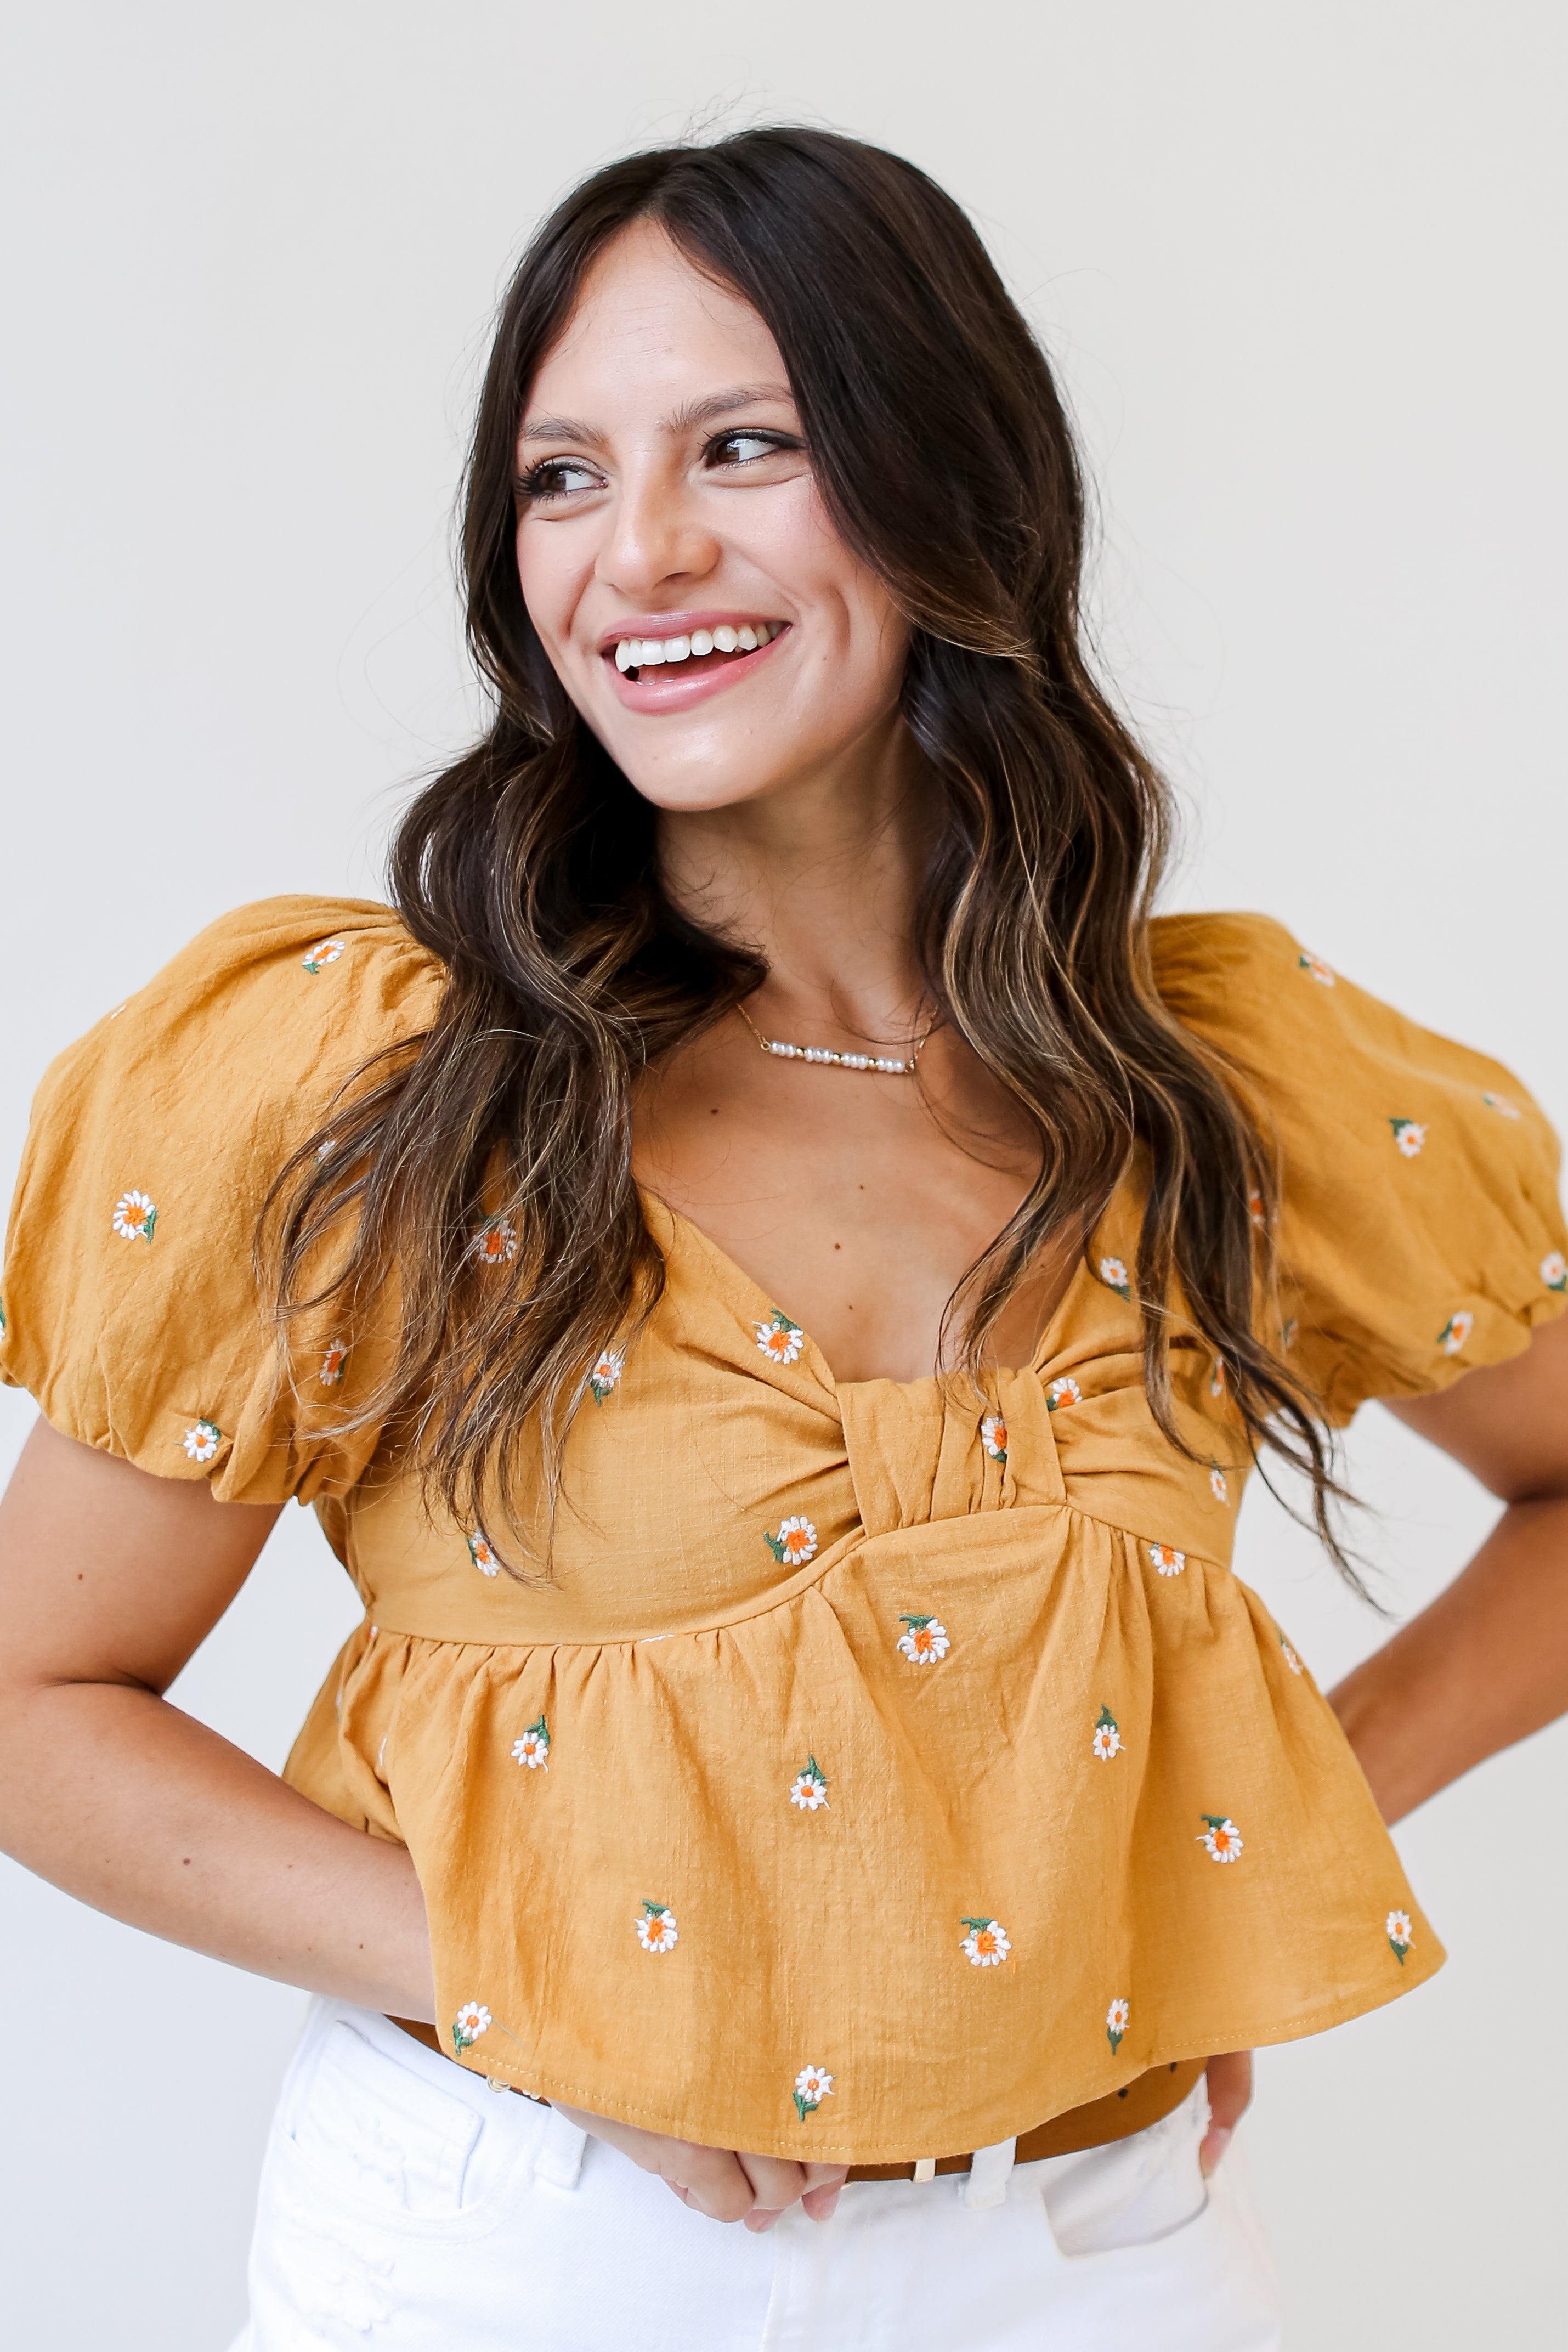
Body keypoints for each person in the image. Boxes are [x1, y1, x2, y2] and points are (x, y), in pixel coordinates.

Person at [2, 128, 1565, 2352]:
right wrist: (524, 1974)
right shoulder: (377, 1090)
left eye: (744, 445)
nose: (636, 551)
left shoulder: (1209, 1081)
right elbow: (35, 1702)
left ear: (951, 491)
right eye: (559, 479)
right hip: (520, 2233)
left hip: (1102, 2251)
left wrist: (1237, 1848)